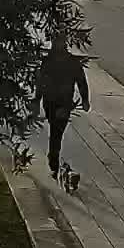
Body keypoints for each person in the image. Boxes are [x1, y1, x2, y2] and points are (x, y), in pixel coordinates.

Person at [38, 34, 90, 177]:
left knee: (57, 130)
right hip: (50, 102)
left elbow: (81, 81)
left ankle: (53, 157)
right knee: (55, 128)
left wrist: (85, 99)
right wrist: (36, 100)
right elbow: (40, 82)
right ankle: (53, 156)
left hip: (64, 103)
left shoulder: (71, 62)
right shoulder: (48, 61)